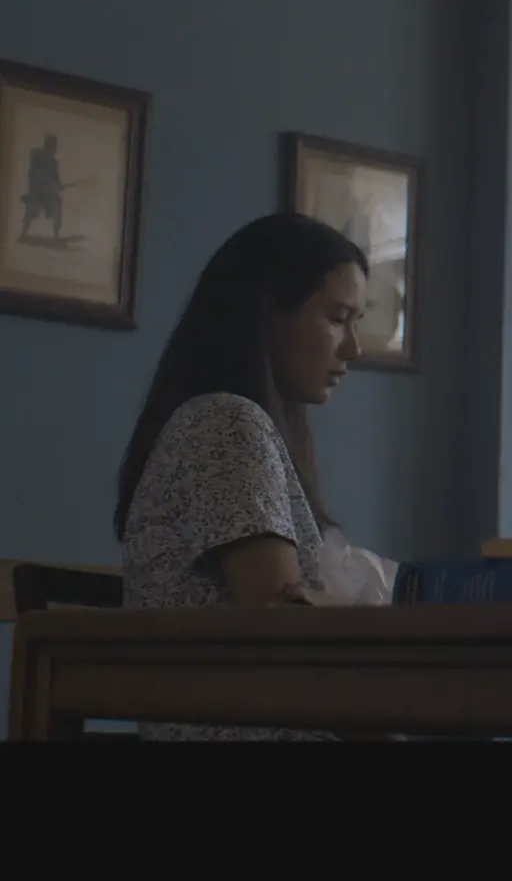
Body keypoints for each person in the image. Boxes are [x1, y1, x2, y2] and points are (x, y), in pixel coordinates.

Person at [113, 212, 383, 741]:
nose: (354, 348)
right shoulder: (224, 422)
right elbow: (276, 613)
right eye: (337, 318)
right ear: (268, 313)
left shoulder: (236, 424)